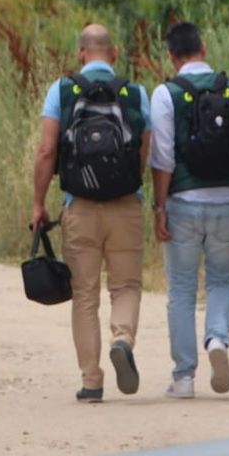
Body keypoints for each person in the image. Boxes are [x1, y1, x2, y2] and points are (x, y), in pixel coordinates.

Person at [30, 23, 152, 402]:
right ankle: (122, 339)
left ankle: (92, 381)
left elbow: (47, 150)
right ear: (114, 54)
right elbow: (145, 149)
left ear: (81, 54)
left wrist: (38, 203)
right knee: (126, 286)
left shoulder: (62, 90)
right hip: (125, 205)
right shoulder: (135, 93)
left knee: (84, 294)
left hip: (79, 206)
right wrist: (128, 183)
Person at [148, 21, 229, 399]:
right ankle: (218, 339)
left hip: (185, 201)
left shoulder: (165, 94)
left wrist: (159, 207)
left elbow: (162, 159)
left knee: (181, 288)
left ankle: (184, 378)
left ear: (171, 56)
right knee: (222, 280)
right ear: (203, 47)